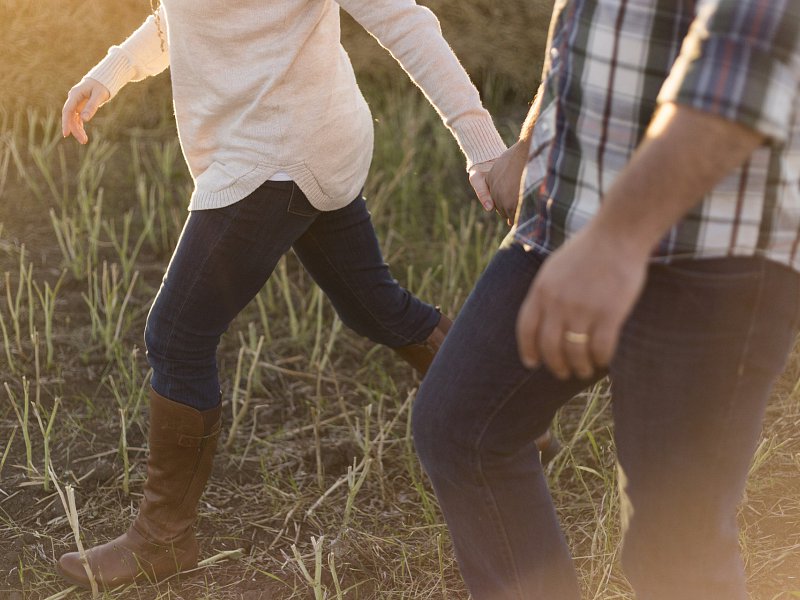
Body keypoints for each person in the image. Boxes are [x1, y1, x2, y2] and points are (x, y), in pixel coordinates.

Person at [55, 0, 518, 589]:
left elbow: (403, 20)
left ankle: (163, 537)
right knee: (372, 306)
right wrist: (109, 73)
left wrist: (485, 148)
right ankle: (502, 411)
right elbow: (184, 19)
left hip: (275, 152)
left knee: (176, 334)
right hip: (302, 136)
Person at [412, 0, 800, 598]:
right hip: (568, 220)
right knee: (462, 428)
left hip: (714, 250)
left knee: (676, 550)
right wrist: (532, 136)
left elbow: (741, 70)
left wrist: (617, 241)